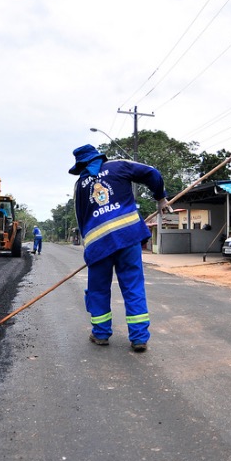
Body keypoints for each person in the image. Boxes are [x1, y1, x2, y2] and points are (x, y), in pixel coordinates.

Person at [69, 144, 169, 352]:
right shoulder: (118, 166)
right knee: (133, 286)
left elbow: (81, 220)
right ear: (99, 157)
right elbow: (152, 173)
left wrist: (90, 249)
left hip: (98, 244)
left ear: (80, 165)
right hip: (128, 237)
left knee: (98, 290)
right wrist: (160, 197)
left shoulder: (79, 186)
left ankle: (101, 334)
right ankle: (139, 338)